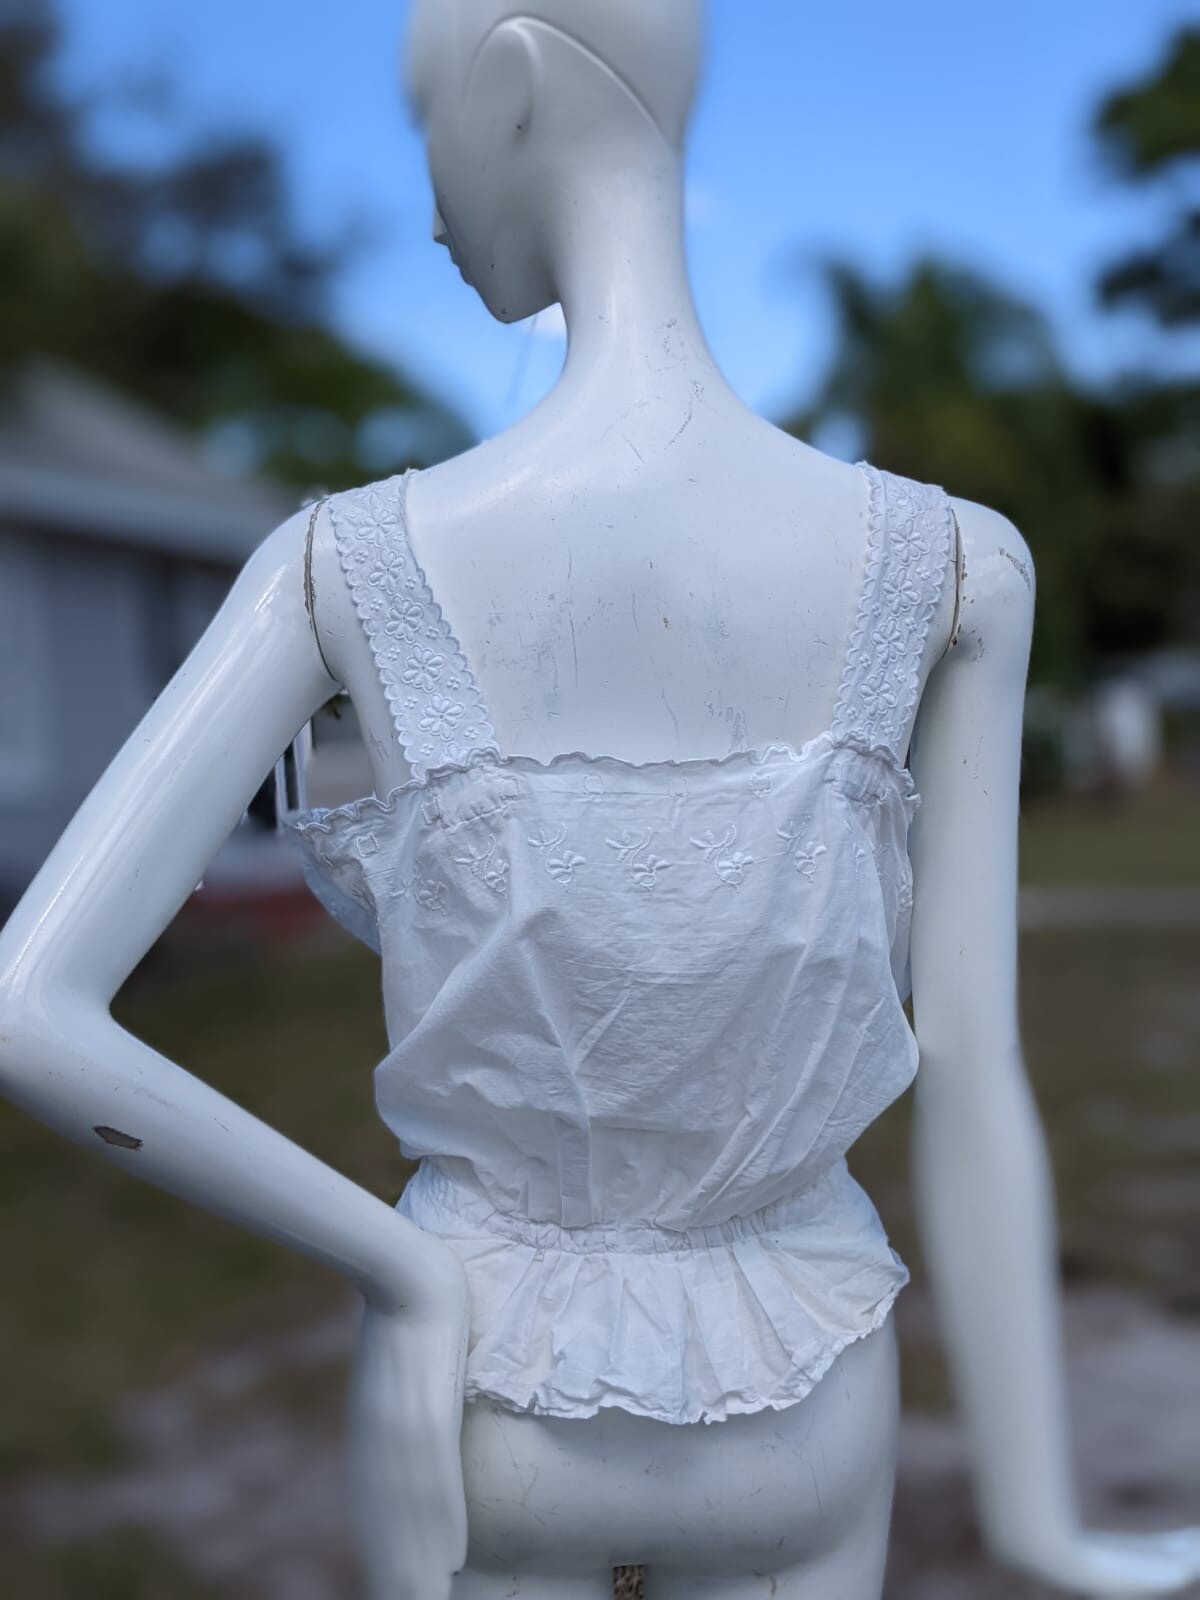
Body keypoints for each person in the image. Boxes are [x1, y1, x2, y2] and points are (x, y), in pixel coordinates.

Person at [2, 3, 1197, 1597]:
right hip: (807, 1399)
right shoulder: (959, 560)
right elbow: (976, 1072)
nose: (426, 204)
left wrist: (401, 1272)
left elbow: (29, 1007)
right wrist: (1039, 1518)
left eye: (423, 120)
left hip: (486, 1394)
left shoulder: (341, 565)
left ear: (505, 88)